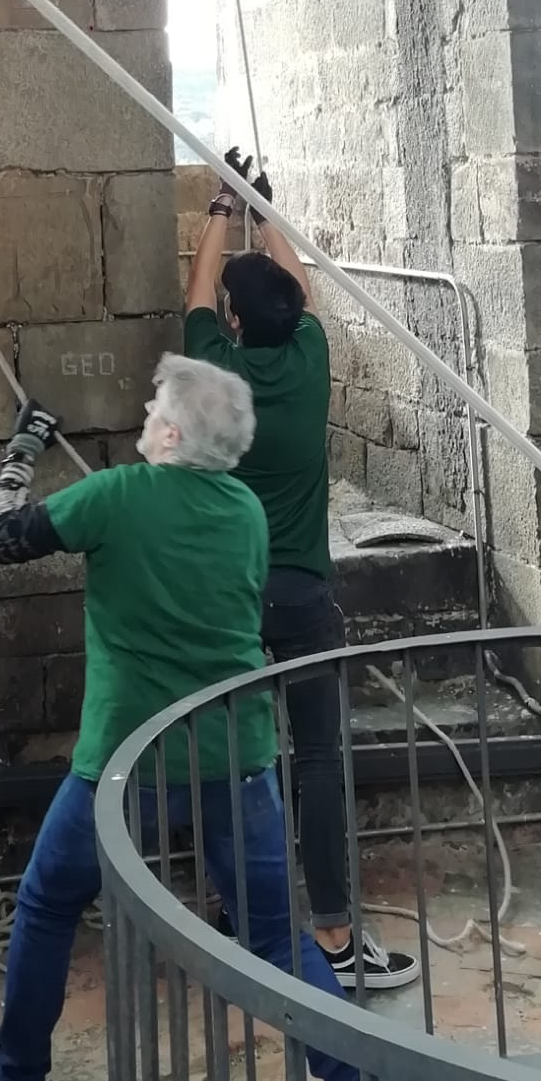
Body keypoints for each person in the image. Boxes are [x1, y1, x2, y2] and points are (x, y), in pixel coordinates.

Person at [0, 356, 363, 1081]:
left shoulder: (118, 495)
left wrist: (23, 451)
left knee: (47, 903)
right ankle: (351, 1080)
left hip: (128, 757)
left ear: (174, 430)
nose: (144, 417)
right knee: (277, 934)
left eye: (155, 408)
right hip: (236, 752)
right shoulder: (245, 511)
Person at [183, 150, 419, 991]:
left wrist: (221, 208)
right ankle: (331, 934)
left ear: (239, 326)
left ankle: (243, 919)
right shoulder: (312, 357)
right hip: (306, 595)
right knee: (317, 758)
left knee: (230, 756)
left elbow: (197, 297)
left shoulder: (221, 375)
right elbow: (300, 291)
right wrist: (267, 210)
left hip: (231, 599)